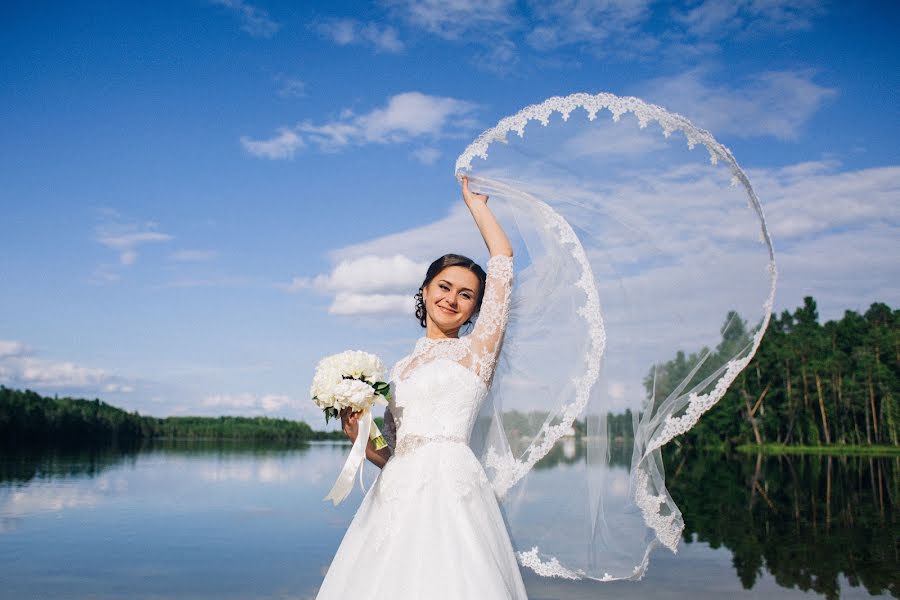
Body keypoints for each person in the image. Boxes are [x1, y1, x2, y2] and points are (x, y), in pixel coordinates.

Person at [315, 175, 528, 599]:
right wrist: (357, 430)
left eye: (466, 295)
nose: (452, 299)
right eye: (445, 287)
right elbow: (389, 452)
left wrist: (476, 206)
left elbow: (502, 259)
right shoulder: (399, 369)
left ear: (474, 310)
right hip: (394, 495)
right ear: (426, 290)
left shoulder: (477, 351)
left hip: (452, 488)